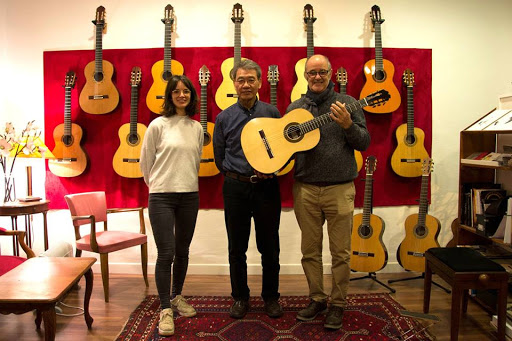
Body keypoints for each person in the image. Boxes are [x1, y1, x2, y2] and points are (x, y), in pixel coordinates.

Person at [286, 54, 370, 330]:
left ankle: (338, 303)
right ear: (305, 76)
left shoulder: (348, 104)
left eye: (322, 72)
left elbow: (364, 142)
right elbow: (286, 147)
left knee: (341, 253)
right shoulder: (295, 108)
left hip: (339, 188)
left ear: (331, 73)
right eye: (313, 73)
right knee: (310, 251)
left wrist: (347, 124)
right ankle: (317, 298)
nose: (318, 77)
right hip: (306, 189)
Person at [213, 59, 283, 319]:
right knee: (236, 248)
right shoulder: (223, 117)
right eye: (240, 80)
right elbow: (219, 156)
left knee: (270, 246)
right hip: (236, 188)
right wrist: (237, 174)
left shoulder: (273, 113)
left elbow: (284, 149)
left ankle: (271, 298)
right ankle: (240, 298)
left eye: (250, 80)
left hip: (267, 188)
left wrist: (270, 168)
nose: (245, 84)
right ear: (234, 83)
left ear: (260, 83)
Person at [140, 75, 204, 336]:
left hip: (189, 195)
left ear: (191, 95)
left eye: (185, 91)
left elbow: (195, 160)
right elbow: (146, 163)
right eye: (176, 91)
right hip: (162, 196)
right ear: (169, 96)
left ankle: (177, 296)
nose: (181, 95)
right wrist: (158, 184)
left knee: (183, 251)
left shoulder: (196, 127)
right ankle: (165, 308)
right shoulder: (157, 125)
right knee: (166, 253)